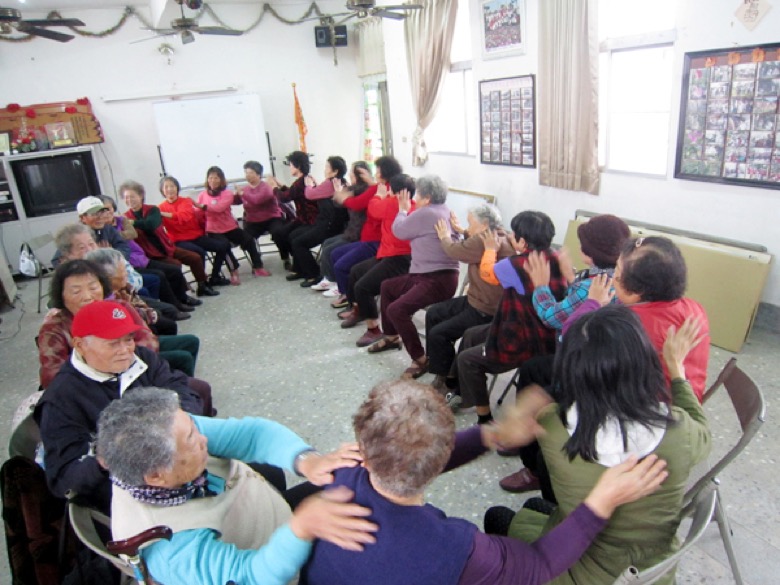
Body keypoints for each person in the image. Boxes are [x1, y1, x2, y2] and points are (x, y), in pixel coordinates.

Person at [303, 379, 669, 585]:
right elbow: (539, 565)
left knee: (520, 512)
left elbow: (408, 457)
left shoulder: (339, 471)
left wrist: (491, 434)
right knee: (512, 517)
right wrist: (601, 502)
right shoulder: (454, 550)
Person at [491, 308, 711, 585]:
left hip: (580, 572)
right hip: (653, 574)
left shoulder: (553, 426)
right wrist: (676, 369)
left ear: (570, 371)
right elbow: (702, 429)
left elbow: (522, 430)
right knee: (536, 506)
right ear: (645, 362)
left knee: (499, 517)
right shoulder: (682, 431)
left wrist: (510, 422)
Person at [97, 387, 378, 585]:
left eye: (194, 428)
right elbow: (251, 577)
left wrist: (307, 461)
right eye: (192, 439)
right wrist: (302, 529)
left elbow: (252, 435)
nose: (203, 438)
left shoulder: (167, 436)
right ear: (157, 476)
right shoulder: (171, 549)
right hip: (277, 568)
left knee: (350, 477)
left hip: (275, 523)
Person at [34, 300, 204, 514]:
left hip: (174, 467)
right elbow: (64, 480)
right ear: (80, 345)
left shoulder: (142, 359)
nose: (125, 350)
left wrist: (181, 419)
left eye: (128, 339)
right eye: (113, 343)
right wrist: (108, 457)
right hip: (124, 501)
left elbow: (179, 387)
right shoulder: (61, 400)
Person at [564, 236, 711, 401]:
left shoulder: (627, 324)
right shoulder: (695, 308)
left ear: (635, 289)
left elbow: (570, 339)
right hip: (687, 400)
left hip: (642, 409)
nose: (612, 277)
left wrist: (593, 303)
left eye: (617, 271)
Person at [455, 211, 568, 424]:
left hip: (523, 336)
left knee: (467, 359)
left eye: (513, 234)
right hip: (548, 336)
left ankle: (484, 417)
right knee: (471, 334)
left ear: (522, 242)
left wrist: (490, 249)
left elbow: (487, 274)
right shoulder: (558, 258)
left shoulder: (514, 265)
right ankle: (462, 391)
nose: (509, 236)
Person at [363, 176, 460, 378]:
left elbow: (399, 231)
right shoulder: (444, 210)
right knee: (387, 287)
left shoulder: (427, 213)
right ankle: (392, 337)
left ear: (427, 197)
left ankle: (420, 359)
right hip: (427, 275)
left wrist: (402, 209)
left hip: (436, 279)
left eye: (418, 195)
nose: (415, 198)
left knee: (397, 309)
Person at [424, 203, 513, 393]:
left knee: (438, 333)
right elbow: (471, 242)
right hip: (475, 299)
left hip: (484, 309)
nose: (469, 228)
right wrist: (463, 231)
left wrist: (444, 237)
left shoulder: (482, 240)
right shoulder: (497, 234)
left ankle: (446, 379)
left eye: (471, 223)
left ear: (484, 224)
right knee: (434, 313)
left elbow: (455, 251)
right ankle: (440, 365)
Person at [37, 259, 158, 389]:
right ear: (61, 296)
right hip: (88, 389)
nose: (87, 297)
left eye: (93, 288)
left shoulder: (119, 309)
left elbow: (149, 343)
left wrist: (122, 361)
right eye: (76, 292)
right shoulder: (54, 329)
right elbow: (52, 375)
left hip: (135, 374)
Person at [86, 248, 201, 378]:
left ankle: (177, 379)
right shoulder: (107, 303)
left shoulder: (124, 289)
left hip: (145, 338)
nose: (126, 273)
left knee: (191, 341)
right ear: (109, 277)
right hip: (134, 349)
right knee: (183, 357)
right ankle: (175, 381)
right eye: (122, 270)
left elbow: (143, 310)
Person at [338, 174, 415, 330]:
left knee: (362, 287)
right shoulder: (414, 205)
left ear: (397, 193)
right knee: (356, 271)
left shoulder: (391, 203)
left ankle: (373, 329)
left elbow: (373, 210)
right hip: (388, 254)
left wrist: (378, 195)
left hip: (398, 258)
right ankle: (359, 310)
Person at [121, 180, 219, 298]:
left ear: (141, 196)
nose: (129, 200)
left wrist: (132, 223)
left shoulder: (153, 210)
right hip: (150, 253)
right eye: (126, 198)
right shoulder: (125, 217)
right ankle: (182, 295)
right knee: (175, 265)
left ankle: (202, 286)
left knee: (195, 257)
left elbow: (150, 225)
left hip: (167, 246)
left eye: (132, 196)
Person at [329, 156, 403, 308]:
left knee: (341, 265)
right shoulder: (380, 187)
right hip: (367, 239)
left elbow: (361, 205)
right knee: (335, 253)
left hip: (374, 242)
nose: (375, 174)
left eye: (377, 171)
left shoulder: (383, 190)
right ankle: (346, 293)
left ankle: (351, 299)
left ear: (384, 172)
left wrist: (343, 198)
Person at [157, 175, 234, 288]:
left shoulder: (186, 201)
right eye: (166, 187)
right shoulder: (160, 207)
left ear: (177, 188)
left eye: (172, 186)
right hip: (178, 240)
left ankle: (215, 276)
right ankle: (202, 283)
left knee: (223, 245)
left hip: (196, 236)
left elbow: (183, 216)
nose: (170, 189)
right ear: (162, 191)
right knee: (199, 252)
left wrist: (163, 214)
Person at [311, 161, 372, 296]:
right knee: (327, 243)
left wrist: (341, 195)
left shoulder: (363, 190)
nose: (349, 174)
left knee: (330, 250)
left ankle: (336, 282)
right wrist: (339, 194)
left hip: (358, 233)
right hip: (351, 230)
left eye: (352, 172)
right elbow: (340, 205)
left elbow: (354, 205)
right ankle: (328, 278)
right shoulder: (353, 188)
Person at [287, 155, 350, 286]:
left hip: (328, 226)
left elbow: (310, 194)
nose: (324, 169)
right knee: (294, 236)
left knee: (298, 242)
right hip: (328, 223)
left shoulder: (330, 183)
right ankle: (300, 269)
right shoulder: (341, 182)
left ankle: (313, 274)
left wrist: (309, 186)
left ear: (335, 171)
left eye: (327, 167)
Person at [196, 166, 266, 284]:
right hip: (213, 230)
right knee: (224, 246)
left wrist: (203, 206)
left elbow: (219, 208)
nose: (213, 180)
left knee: (248, 239)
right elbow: (197, 212)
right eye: (210, 178)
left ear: (221, 179)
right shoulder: (202, 195)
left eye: (216, 178)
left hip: (230, 227)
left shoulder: (227, 193)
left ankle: (258, 267)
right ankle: (234, 271)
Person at [268, 150, 319, 271]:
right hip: (303, 218)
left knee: (289, 235)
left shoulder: (301, 182)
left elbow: (284, 198)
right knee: (280, 233)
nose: (290, 168)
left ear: (298, 166)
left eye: (291, 165)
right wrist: (280, 185)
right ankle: (297, 264)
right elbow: (293, 192)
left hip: (309, 220)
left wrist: (274, 187)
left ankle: (300, 265)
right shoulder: (304, 180)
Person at [234, 160, 285, 276]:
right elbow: (236, 200)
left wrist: (242, 194)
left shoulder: (267, 187)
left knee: (279, 232)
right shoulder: (245, 189)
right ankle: (257, 266)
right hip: (253, 222)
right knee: (246, 238)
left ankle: (285, 257)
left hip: (271, 218)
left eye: (251, 173)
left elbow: (257, 200)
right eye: (246, 173)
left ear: (258, 174)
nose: (247, 175)